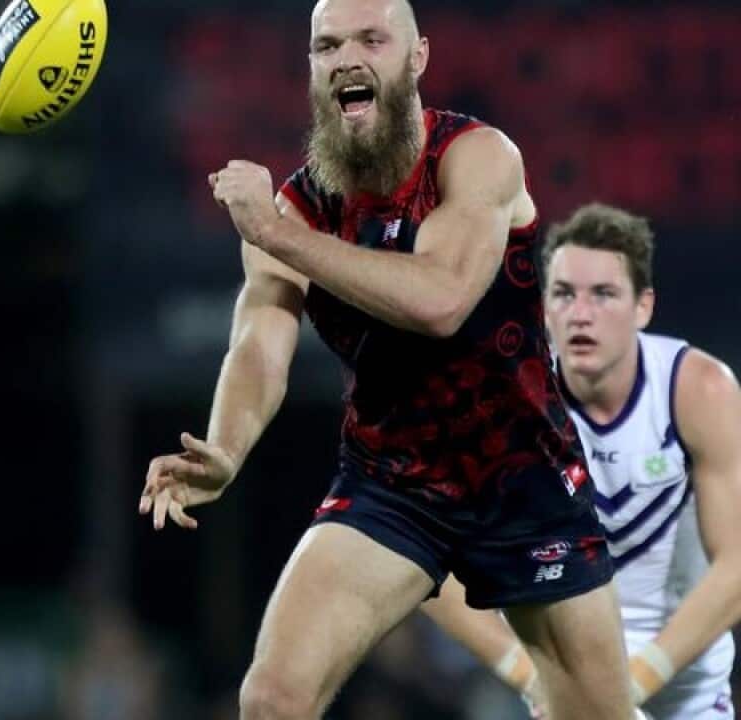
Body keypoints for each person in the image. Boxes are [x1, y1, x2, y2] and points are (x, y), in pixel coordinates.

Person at [138, 1, 635, 718]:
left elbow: (441, 301)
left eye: (372, 39)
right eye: (326, 44)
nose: (348, 57)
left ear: (416, 57)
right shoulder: (295, 212)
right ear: (311, 68)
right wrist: (224, 448)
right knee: (272, 699)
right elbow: (257, 347)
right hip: (394, 483)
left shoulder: (477, 157)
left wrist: (279, 237)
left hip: (525, 479)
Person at [422, 203, 741, 719]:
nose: (581, 314)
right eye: (565, 294)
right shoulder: (504, 401)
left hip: (685, 693)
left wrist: (626, 688)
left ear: (644, 307)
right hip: (558, 684)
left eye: (604, 294)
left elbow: (737, 567)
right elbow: (422, 563)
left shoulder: (697, 390)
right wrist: (530, 676)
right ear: (544, 307)